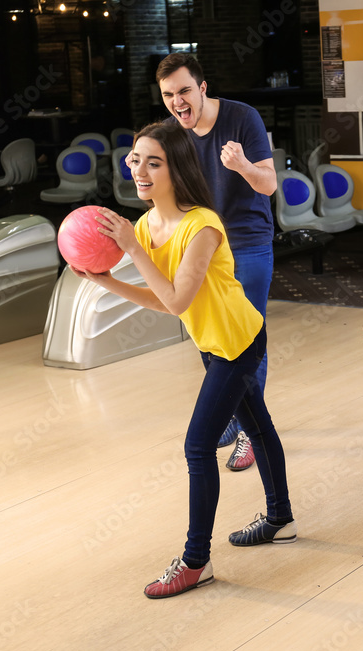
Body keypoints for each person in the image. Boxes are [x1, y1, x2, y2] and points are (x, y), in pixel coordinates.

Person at [80, 121, 295, 599]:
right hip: (212, 342)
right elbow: (165, 301)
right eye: (135, 159)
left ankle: (197, 560)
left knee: (198, 448)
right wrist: (106, 281)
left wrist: (132, 251)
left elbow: (177, 301)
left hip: (238, 343)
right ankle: (280, 519)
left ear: (176, 169)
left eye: (153, 162)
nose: (139, 169)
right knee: (258, 427)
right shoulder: (147, 225)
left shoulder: (202, 225)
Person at [156, 52, 277, 472]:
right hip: (201, 244)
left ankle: (250, 430)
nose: (178, 101)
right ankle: (235, 414)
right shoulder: (170, 134)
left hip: (247, 241)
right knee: (209, 339)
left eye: (185, 91)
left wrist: (242, 165)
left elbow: (269, 183)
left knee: (245, 338)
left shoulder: (243, 118)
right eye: (169, 94)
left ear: (203, 88)